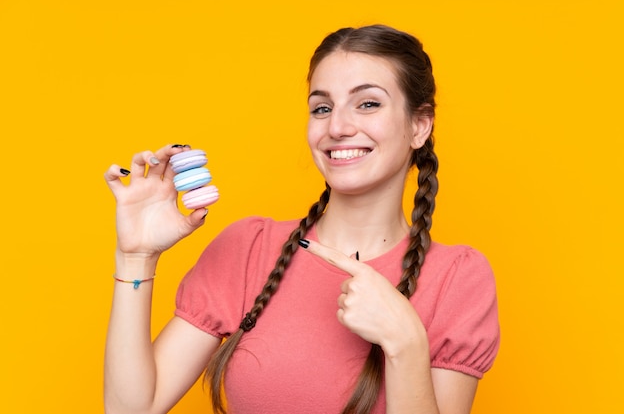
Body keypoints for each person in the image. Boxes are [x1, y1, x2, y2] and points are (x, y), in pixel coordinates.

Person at [103, 24, 500, 414]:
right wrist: (135, 256)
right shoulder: (248, 248)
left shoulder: (458, 279)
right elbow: (130, 410)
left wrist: (405, 342)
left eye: (368, 103)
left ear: (419, 125)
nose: (338, 127)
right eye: (322, 108)